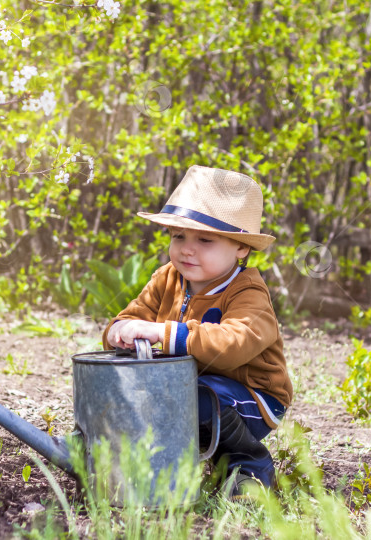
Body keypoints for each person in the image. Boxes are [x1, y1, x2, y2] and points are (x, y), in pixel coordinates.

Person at [101, 165, 292, 498]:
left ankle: (249, 469)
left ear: (241, 248)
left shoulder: (248, 293)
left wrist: (163, 333)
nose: (187, 249)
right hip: (187, 386)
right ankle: (155, 467)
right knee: (145, 389)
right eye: (179, 236)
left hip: (253, 397)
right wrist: (120, 330)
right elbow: (134, 314)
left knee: (195, 395)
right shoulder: (168, 278)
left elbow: (234, 344)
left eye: (205, 240)